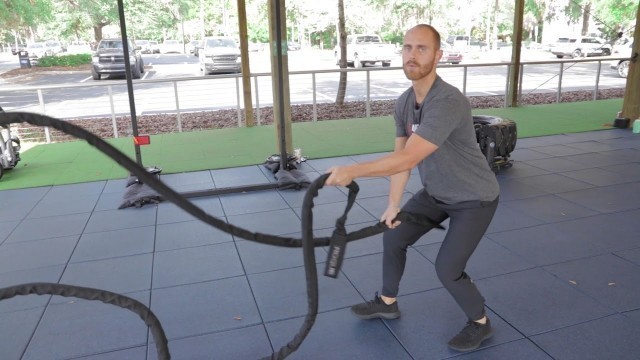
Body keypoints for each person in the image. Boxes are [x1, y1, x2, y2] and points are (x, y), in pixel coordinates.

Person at [325, 24, 499, 352]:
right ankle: (387, 302)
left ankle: (480, 322)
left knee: (448, 268)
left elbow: (409, 158)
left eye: (421, 48)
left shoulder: (447, 101)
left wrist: (353, 171)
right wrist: (393, 204)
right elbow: (399, 158)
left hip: (474, 198)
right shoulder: (404, 103)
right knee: (394, 234)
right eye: (407, 48)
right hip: (437, 193)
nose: (412, 55)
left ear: (437, 55)